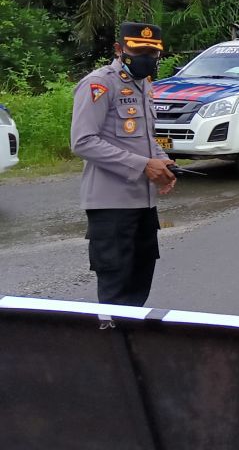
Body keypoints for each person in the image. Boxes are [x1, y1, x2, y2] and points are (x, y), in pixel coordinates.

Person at [70, 22, 177, 307]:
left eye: (152, 52)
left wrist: (163, 163)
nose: (146, 58)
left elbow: (145, 138)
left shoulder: (144, 85)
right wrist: (143, 165)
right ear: (119, 49)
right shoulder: (99, 84)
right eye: (138, 50)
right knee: (115, 290)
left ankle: (131, 346)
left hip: (144, 204)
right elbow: (82, 141)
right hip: (111, 206)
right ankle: (113, 346)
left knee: (139, 284)